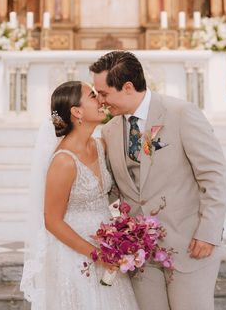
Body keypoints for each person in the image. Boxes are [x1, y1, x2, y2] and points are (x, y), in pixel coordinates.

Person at [90, 51, 226, 310]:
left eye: (104, 93)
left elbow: (214, 174)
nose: (100, 101)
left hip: (189, 245)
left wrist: (209, 233)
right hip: (140, 257)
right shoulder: (109, 131)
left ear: (128, 87)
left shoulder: (181, 113)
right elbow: (118, 190)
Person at [20, 81, 139, 309]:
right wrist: (97, 254)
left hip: (107, 246)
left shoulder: (100, 145)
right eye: (93, 96)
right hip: (75, 254)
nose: (101, 100)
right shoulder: (64, 160)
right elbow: (52, 221)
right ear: (77, 112)